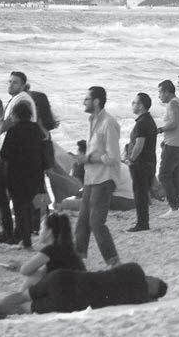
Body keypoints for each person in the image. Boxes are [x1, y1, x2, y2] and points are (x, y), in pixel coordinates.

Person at [0, 263, 168, 323]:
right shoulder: (139, 298)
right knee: (26, 307)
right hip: (71, 301)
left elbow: (115, 269)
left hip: (66, 278)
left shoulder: (135, 269)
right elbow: (148, 300)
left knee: (23, 296)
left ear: (152, 278)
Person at [0, 212, 85, 319]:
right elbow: (42, 272)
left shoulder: (51, 249)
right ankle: (9, 302)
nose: (39, 231)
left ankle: (4, 305)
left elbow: (25, 270)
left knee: (32, 279)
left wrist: (20, 267)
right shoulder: (67, 249)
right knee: (35, 277)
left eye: (41, 228)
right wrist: (19, 267)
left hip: (63, 295)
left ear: (49, 232)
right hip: (77, 293)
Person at [75, 86, 122, 267]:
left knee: (96, 222)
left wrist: (87, 158)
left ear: (96, 101)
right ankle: (76, 260)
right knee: (82, 221)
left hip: (105, 179)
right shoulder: (93, 120)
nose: (83, 102)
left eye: (86, 99)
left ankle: (113, 261)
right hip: (92, 178)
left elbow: (113, 157)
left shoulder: (108, 123)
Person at [0, 102, 47, 249]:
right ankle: (27, 237)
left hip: (16, 175)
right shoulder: (36, 129)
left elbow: (4, 154)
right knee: (29, 206)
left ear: (16, 115)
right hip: (35, 175)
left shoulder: (13, 131)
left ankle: (26, 240)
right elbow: (42, 151)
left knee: (20, 208)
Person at [124, 92, 157, 232]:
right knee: (142, 193)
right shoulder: (148, 120)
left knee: (140, 193)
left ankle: (142, 223)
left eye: (135, 102)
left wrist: (131, 158)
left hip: (141, 163)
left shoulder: (142, 123)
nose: (132, 104)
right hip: (149, 161)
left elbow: (139, 144)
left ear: (141, 105)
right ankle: (143, 221)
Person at [155, 80, 179, 218]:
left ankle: (174, 208)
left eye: (160, 92)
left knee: (163, 175)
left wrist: (159, 129)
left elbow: (174, 123)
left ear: (167, 92)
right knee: (173, 176)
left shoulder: (173, 103)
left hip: (173, 145)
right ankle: (176, 207)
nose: (159, 95)